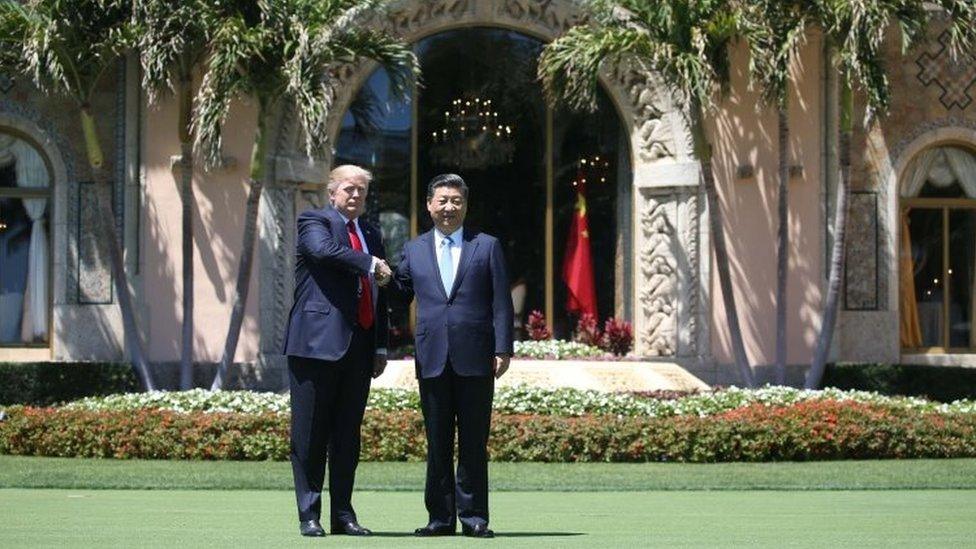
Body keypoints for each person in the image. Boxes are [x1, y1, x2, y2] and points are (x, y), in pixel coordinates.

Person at [392, 173, 514, 538]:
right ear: (429, 205)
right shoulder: (413, 250)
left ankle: (474, 517)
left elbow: (501, 302)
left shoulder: (486, 245)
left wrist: (503, 347)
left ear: (465, 205)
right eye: (442, 200)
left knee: (474, 442)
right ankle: (440, 518)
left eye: (456, 201)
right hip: (431, 357)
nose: (449, 207)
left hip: (476, 357)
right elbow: (400, 296)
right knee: (438, 442)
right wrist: (382, 279)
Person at [282, 164, 393, 537]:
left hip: (359, 349)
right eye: (349, 189)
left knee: (348, 436)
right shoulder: (314, 221)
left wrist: (379, 344)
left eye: (362, 190)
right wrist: (369, 264)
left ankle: (343, 515)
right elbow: (323, 252)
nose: (355, 196)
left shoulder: (372, 235)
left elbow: (382, 294)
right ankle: (308, 514)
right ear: (332, 193)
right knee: (310, 434)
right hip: (314, 345)